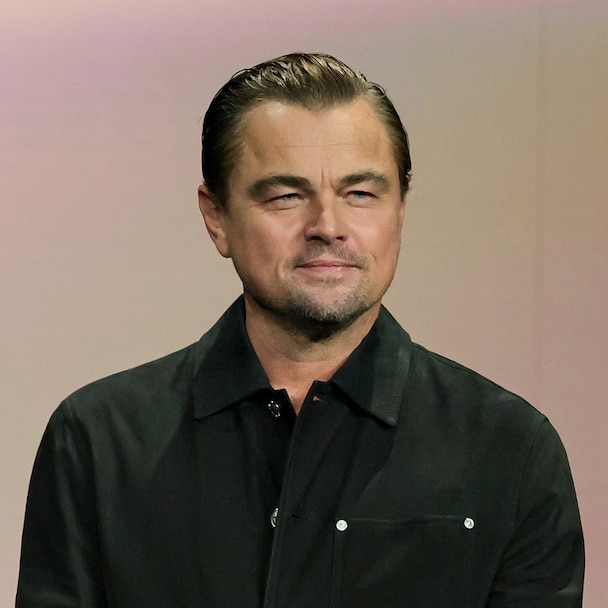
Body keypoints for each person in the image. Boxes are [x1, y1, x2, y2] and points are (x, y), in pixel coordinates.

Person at [16, 53, 584, 607]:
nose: (328, 226)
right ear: (217, 218)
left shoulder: (511, 451)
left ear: (400, 210)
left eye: (360, 194)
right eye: (286, 196)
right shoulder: (97, 441)